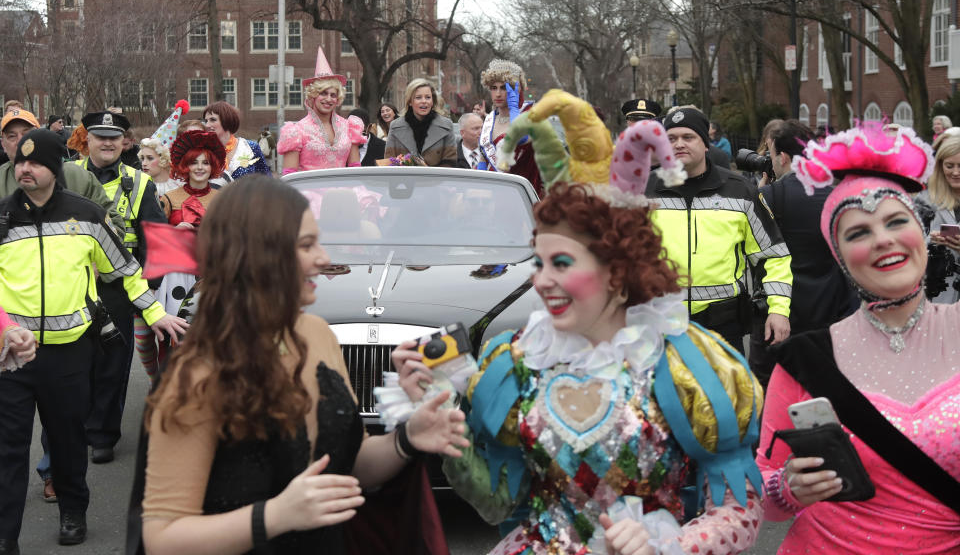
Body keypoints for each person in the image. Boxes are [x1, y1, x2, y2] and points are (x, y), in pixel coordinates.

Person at [386, 95, 766, 554]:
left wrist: (670, 547)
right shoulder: (517, 363)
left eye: (561, 263)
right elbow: (495, 503)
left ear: (618, 268)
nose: (542, 282)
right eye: (540, 263)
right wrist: (446, 429)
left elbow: (739, 509)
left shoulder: (689, 365)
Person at [138, 175, 468, 555]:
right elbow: (162, 539)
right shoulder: (196, 372)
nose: (325, 259)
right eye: (307, 245)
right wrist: (275, 516)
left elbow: (351, 462)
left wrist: (407, 438)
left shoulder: (318, 334)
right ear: (259, 253)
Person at [757, 125, 960, 554]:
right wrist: (788, 488)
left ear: (920, 232)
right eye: (858, 232)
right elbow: (762, 494)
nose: (882, 239)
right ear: (839, 254)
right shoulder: (805, 360)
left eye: (895, 221)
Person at [0, 129, 185, 553]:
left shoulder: (87, 215)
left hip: (70, 354)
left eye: (36, 162)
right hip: (11, 357)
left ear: (57, 168)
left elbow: (125, 271)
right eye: (20, 163)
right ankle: (6, 533)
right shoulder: (2, 217)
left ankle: (72, 512)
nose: (25, 169)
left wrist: (156, 315)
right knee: (8, 449)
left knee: (68, 440)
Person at [647, 106, 792, 353]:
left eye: (688, 137)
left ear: (705, 144)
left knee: (724, 392)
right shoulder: (642, 190)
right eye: (671, 138)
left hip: (722, 327)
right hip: (658, 324)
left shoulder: (741, 191)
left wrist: (778, 310)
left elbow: (774, 256)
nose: (679, 144)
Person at [72, 109, 169, 464]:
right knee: (77, 364)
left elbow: (154, 242)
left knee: (113, 365)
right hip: (74, 286)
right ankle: (76, 426)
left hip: (120, 289)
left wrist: (144, 293)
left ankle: (102, 434)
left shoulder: (141, 182)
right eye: (100, 136)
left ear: (124, 142)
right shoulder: (67, 177)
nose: (108, 143)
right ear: (88, 140)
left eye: (115, 137)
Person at [748, 120, 858, 387]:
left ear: (783, 157)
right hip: (829, 308)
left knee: (770, 387)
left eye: (772, 156)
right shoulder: (839, 197)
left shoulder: (769, 196)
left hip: (778, 311)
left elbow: (753, 254)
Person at [278, 47, 364, 173]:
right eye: (323, 93)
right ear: (313, 95)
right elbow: (290, 175)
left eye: (333, 95)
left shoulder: (349, 127)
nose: (328, 99)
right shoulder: (296, 131)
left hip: (343, 190)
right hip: (308, 191)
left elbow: (355, 168)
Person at [475, 59, 543, 193]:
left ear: (516, 90)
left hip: (521, 195)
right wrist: (479, 185)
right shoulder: (489, 119)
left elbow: (522, 138)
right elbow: (483, 157)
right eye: (494, 88)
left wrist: (514, 111)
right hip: (491, 194)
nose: (498, 94)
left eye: (504, 88)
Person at [914, 133, 960, 303]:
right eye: (949, 166)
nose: (955, 172)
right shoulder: (924, 202)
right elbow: (908, 248)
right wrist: (930, 242)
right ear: (940, 167)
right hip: (934, 299)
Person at [384, 78, 457, 166]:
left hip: (437, 179)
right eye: (418, 97)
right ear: (410, 102)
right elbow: (389, 162)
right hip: (404, 179)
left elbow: (451, 162)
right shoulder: (395, 126)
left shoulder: (446, 125)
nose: (424, 101)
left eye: (428, 97)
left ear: (432, 101)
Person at [159, 131, 225, 228]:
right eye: (194, 162)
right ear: (185, 166)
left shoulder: (222, 199)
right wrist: (174, 231)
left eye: (205, 163)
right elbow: (156, 235)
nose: (200, 167)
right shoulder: (168, 198)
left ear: (212, 167)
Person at [203, 101, 272, 178]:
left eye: (212, 120)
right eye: (206, 121)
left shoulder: (250, 147)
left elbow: (265, 179)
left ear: (226, 120)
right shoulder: (203, 150)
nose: (207, 125)